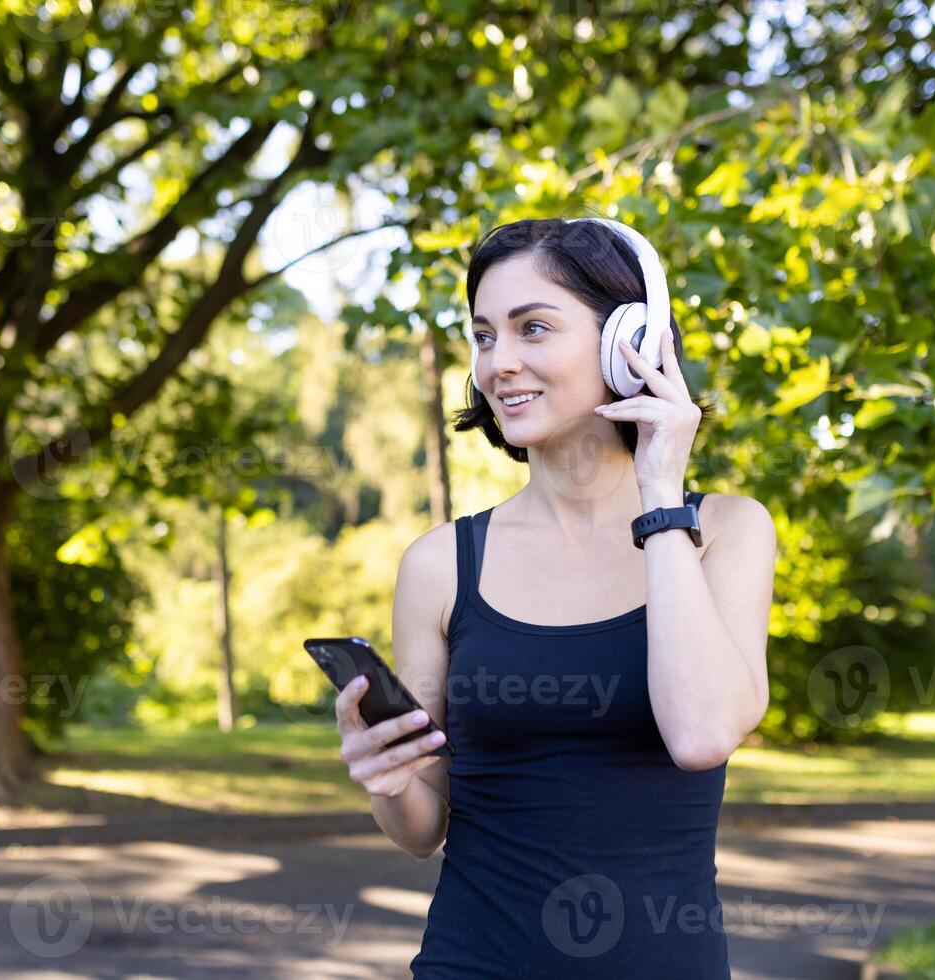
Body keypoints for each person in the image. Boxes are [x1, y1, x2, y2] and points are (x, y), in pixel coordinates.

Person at [333, 214, 777, 977]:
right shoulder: (442, 563)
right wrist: (388, 778)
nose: (499, 362)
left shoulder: (728, 531)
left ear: (628, 343)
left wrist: (660, 493)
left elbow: (701, 735)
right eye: (482, 337)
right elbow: (422, 828)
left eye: (533, 328)